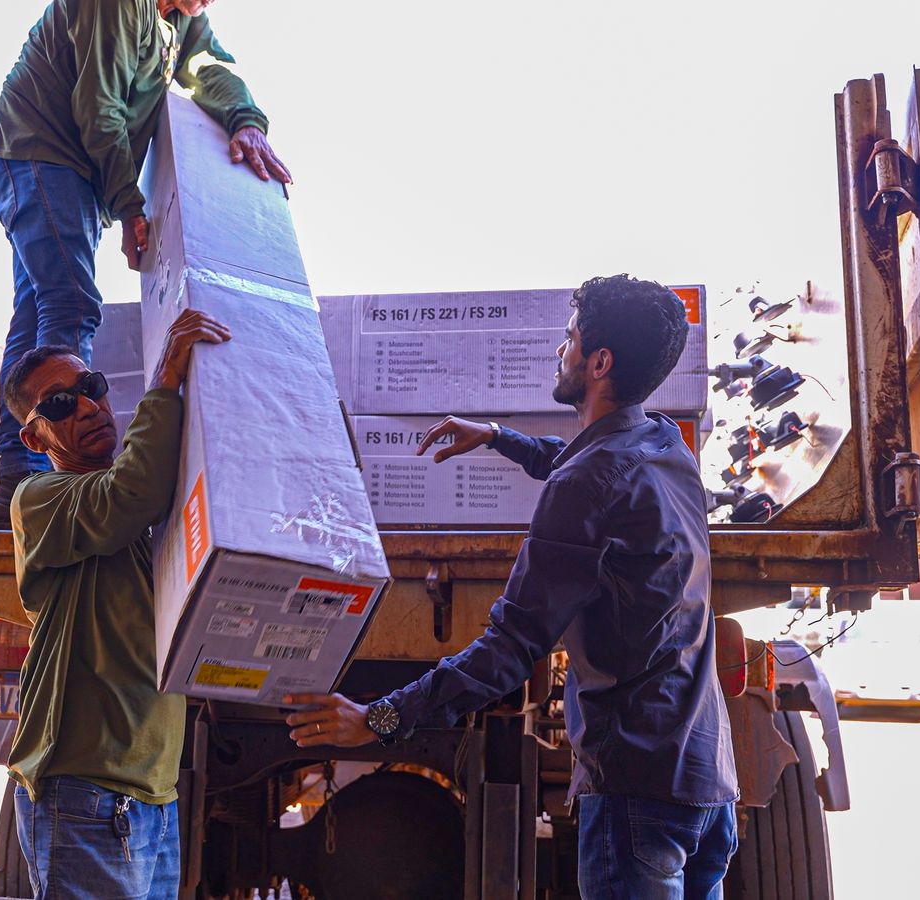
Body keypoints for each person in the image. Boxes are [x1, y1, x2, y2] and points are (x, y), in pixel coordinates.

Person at [288, 275, 739, 899]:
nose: (561, 349)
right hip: (705, 782)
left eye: (571, 337)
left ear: (599, 362)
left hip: (638, 792)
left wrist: (380, 717)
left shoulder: (588, 484)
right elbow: (588, 466)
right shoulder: (665, 445)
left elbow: (508, 650)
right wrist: (500, 439)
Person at [0, 0, 290, 523]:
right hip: (40, 154)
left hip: (69, 170)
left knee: (38, 310)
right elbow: (99, 106)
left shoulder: (180, 19)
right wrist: (129, 203)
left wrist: (244, 121)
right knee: (70, 305)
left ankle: (19, 474)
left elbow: (209, 66)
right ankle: (53, 476)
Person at [4, 308, 230, 899]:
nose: (85, 406)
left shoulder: (146, 510)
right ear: (33, 438)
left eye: (90, 389)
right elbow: (132, 492)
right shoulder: (42, 498)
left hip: (152, 796)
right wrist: (166, 383)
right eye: (58, 405)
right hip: (86, 796)